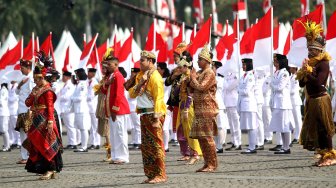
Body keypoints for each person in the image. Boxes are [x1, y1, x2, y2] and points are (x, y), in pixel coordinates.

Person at [297, 21, 336, 166]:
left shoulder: (323, 63)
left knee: (324, 128)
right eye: (309, 48)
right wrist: (302, 73)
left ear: (319, 50)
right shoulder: (311, 63)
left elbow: (319, 81)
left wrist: (308, 71)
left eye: (312, 49)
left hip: (321, 99)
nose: (309, 51)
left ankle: (331, 154)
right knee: (316, 129)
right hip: (311, 100)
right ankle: (323, 154)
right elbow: (302, 84)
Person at [128, 51, 167, 184]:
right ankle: (151, 173)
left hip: (154, 114)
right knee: (146, 146)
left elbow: (159, 98)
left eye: (142, 60)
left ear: (150, 61)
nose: (140, 63)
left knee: (156, 146)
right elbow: (132, 95)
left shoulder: (155, 77)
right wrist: (140, 83)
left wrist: (156, 118)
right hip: (144, 114)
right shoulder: (141, 75)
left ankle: (160, 174)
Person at [23, 53, 63, 180]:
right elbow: (27, 103)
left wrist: (51, 120)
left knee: (46, 144)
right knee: (37, 144)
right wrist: (32, 94)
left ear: (44, 77)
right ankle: (44, 168)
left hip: (45, 118)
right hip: (35, 119)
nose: (37, 81)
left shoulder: (48, 90)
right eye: (36, 78)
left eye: (39, 78)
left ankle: (51, 169)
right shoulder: (36, 89)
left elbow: (50, 106)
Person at [189, 46, 218, 172]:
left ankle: (212, 164)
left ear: (207, 60)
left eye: (200, 59)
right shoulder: (201, 73)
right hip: (198, 109)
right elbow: (191, 88)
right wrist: (190, 79)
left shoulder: (210, 73)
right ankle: (207, 163)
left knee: (207, 137)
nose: (198, 61)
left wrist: (193, 78)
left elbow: (201, 87)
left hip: (207, 109)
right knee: (201, 137)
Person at [100, 55, 130, 164]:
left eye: (109, 64)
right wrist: (106, 84)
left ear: (116, 65)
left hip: (118, 110)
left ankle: (123, 157)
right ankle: (115, 155)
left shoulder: (118, 76)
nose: (107, 66)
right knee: (113, 134)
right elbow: (103, 91)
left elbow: (119, 94)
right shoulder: (111, 76)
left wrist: (114, 110)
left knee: (120, 133)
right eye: (107, 64)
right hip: (111, 110)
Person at [176, 52, 202, 164]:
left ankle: (195, 154)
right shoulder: (182, 77)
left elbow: (191, 94)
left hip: (188, 105)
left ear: (187, 66)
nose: (180, 68)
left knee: (190, 130)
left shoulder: (190, 77)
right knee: (182, 130)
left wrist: (186, 108)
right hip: (181, 104)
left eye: (181, 67)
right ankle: (188, 153)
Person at [269, 54, 294, 154]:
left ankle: (287, 147)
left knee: (285, 126)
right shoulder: (277, 73)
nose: (274, 63)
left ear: (281, 62)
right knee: (281, 126)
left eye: (276, 61)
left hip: (283, 103)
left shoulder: (284, 73)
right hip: (277, 102)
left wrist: (272, 84)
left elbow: (279, 87)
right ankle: (284, 146)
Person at [165, 42, 188, 146]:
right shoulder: (174, 70)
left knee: (184, 124)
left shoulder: (187, 69)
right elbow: (167, 82)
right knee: (177, 124)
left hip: (184, 100)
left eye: (175, 56)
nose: (173, 58)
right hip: (174, 100)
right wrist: (174, 76)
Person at [15, 59, 35, 164]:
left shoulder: (32, 79)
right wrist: (19, 84)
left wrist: (31, 111)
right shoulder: (24, 79)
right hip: (21, 110)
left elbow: (33, 94)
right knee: (22, 133)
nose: (20, 69)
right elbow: (17, 92)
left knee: (29, 134)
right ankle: (24, 156)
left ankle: (30, 156)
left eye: (22, 68)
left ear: (28, 68)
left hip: (28, 111)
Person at [72, 68, 91, 152]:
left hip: (82, 109)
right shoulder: (79, 84)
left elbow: (80, 97)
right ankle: (82, 145)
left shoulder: (82, 84)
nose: (76, 76)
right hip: (78, 109)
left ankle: (84, 146)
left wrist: (72, 98)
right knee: (80, 128)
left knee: (84, 128)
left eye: (77, 75)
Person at [212, 60, 228, 153]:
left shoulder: (220, 79)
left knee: (220, 126)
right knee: (213, 127)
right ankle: (215, 145)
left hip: (219, 105)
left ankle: (220, 146)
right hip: (212, 104)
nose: (211, 69)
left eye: (213, 67)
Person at [124, 64, 141, 150]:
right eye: (132, 73)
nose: (132, 74)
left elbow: (132, 95)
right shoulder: (130, 82)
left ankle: (138, 142)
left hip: (135, 105)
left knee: (137, 125)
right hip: (130, 106)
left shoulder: (139, 82)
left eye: (134, 73)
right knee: (133, 126)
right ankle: (134, 141)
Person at [224, 71, 242, 151]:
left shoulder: (236, 76)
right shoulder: (227, 75)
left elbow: (228, 87)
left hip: (233, 102)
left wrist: (224, 80)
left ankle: (238, 143)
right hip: (228, 103)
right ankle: (234, 142)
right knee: (231, 125)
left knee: (236, 124)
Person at [59, 70, 77, 149]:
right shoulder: (65, 85)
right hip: (64, 108)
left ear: (68, 77)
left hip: (68, 108)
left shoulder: (70, 86)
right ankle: (71, 142)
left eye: (64, 76)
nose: (63, 78)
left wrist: (58, 96)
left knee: (70, 126)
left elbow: (67, 97)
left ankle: (73, 143)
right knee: (68, 126)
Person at [157, 62, 171, 152]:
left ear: (163, 70)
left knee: (165, 127)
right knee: (159, 127)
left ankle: (166, 146)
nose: (157, 70)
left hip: (166, 105)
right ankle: (161, 144)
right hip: (158, 105)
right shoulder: (156, 78)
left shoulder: (166, 80)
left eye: (158, 69)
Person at [288, 64, 303, 146]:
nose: (289, 68)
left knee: (297, 119)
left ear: (295, 68)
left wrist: (286, 91)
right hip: (291, 101)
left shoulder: (297, 77)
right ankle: (296, 136)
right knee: (293, 119)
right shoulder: (291, 76)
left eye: (291, 67)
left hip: (295, 100)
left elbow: (294, 90)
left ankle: (299, 136)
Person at [87, 68, 100, 150]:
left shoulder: (95, 83)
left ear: (93, 73)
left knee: (94, 126)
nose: (88, 74)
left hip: (93, 106)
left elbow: (92, 95)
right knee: (92, 126)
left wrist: (83, 96)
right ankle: (93, 142)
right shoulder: (89, 82)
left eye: (89, 72)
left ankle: (96, 143)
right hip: (89, 107)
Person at [8, 81, 20, 149]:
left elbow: (14, 98)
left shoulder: (17, 85)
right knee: (10, 127)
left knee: (16, 127)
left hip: (15, 109)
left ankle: (19, 142)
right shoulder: (9, 85)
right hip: (9, 109)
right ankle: (13, 141)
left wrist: (7, 97)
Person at [0, 83, 10, 152]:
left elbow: (1, 101)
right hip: (2, 112)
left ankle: (7, 146)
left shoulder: (3, 90)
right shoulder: (2, 89)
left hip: (3, 112)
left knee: (4, 130)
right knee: (3, 130)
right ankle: (6, 145)